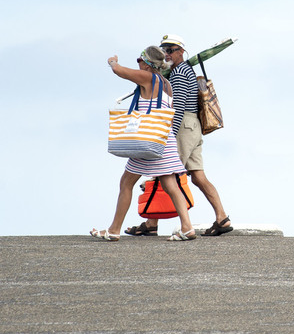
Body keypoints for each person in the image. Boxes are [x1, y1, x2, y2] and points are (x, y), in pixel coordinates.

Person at [125, 35, 233, 237]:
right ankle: (222, 218)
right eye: (164, 50)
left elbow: (178, 106)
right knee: (198, 177)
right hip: (193, 126)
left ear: (181, 51)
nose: (167, 54)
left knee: (164, 171)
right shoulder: (181, 71)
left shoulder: (180, 73)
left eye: (171, 49)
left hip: (183, 125)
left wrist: (168, 135)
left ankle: (151, 223)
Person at [91, 46, 197, 242]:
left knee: (126, 183)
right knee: (170, 184)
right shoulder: (166, 84)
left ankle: (114, 230)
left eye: (140, 60)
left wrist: (113, 61)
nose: (137, 64)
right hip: (163, 140)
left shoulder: (148, 78)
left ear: (147, 64)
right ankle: (187, 227)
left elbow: (119, 71)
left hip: (147, 142)